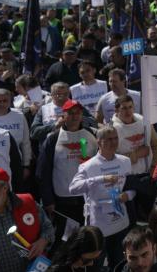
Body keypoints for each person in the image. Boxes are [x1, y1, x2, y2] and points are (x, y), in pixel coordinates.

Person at [69, 126, 133, 269]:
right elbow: (73, 188)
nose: (113, 142)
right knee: (96, 266)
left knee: (119, 263)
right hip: (99, 227)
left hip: (121, 222)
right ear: (99, 142)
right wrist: (101, 179)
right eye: (109, 139)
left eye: (115, 138)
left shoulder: (125, 161)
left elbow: (132, 188)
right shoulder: (88, 166)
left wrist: (127, 195)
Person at [37, 99, 99, 238]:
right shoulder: (53, 138)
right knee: (66, 238)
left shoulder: (92, 134)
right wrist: (48, 200)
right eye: (70, 113)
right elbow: (43, 172)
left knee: (89, 236)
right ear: (63, 115)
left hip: (88, 197)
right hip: (63, 200)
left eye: (78, 112)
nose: (75, 116)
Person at [0, 88, 32, 187]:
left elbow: (25, 142)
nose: (1, 104)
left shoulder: (19, 115)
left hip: (15, 162)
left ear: (10, 102)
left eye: (5, 101)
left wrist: (26, 165)